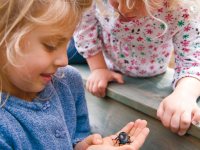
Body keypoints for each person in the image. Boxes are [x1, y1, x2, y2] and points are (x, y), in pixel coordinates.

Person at [0, 0, 149, 149]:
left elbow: (75, 137)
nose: (64, 60)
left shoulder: (68, 82)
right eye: (50, 45)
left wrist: (82, 147)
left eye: (66, 44)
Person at [74, 0, 200, 136]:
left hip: (152, 68)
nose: (124, 10)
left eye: (134, 2)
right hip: (106, 57)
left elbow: (192, 58)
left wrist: (185, 94)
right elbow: (84, 29)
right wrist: (98, 68)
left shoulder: (182, 9)